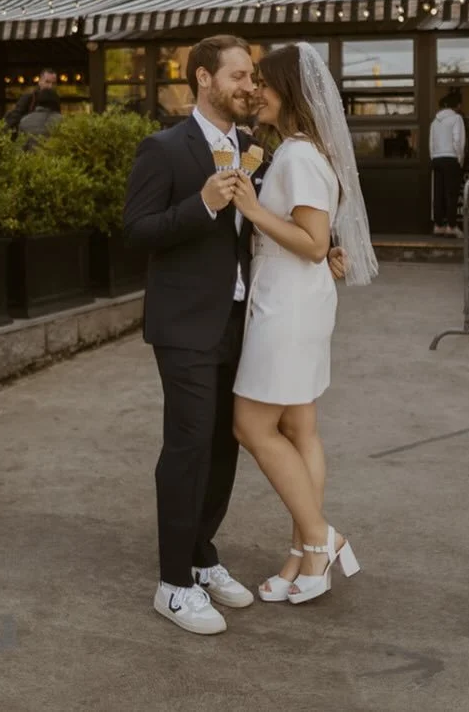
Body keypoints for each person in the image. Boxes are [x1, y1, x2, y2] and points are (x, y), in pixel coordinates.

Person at [122, 35, 346, 637]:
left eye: (255, 78)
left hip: (243, 323)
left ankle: (200, 558)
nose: (250, 87)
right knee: (189, 445)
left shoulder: (257, 149)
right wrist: (199, 204)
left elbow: (290, 223)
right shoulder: (164, 148)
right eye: (240, 76)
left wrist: (330, 251)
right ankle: (172, 584)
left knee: (224, 448)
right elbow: (137, 230)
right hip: (185, 326)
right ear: (203, 78)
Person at [230, 42, 377, 607]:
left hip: (288, 307)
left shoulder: (296, 156)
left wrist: (253, 210)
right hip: (294, 298)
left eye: (264, 83)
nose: (255, 92)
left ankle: (321, 537)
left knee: (251, 426)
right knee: (299, 429)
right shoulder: (301, 150)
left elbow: (315, 244)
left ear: (288, 90)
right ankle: (303, 555)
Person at [430, 90, 465, 237]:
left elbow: (431, 143)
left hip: (436, 159)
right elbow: (458, 140)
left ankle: (438, 225)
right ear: (456, 106)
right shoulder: (456, 119)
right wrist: (460, 158)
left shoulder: (435, 121)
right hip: (451, 158)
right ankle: (452, 225)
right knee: (451, 193)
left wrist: (433, 157)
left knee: (438, 192)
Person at [4, 68, 58, 133]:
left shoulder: (55, 99)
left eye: (53, 83)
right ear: (40, 82)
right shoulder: (28, 98)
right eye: (47, 82)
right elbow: (14, 118)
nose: (50, 86)